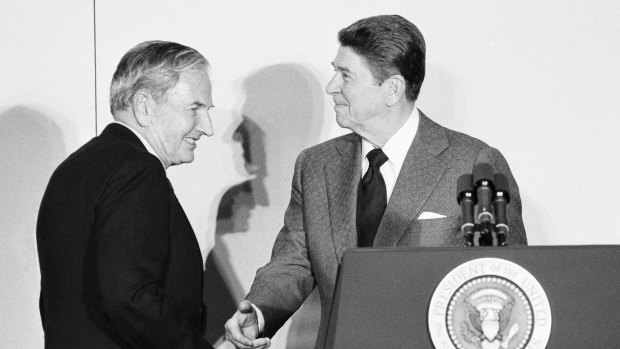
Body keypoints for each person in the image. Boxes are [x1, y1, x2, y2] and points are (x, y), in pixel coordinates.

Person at [224, 14, 527, 349]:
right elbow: (294, 260)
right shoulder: (315, 165)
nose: (331, 86)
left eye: (345, 75)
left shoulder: (473, 163)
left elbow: (507, 278)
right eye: (334, 70)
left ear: (392, 89)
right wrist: (259, 311)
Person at [36, 41, 215, 348]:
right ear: (144, 107)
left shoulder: (74, 169)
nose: (207, 127)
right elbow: (130, 298)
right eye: (195, 109)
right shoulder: (138, 171)